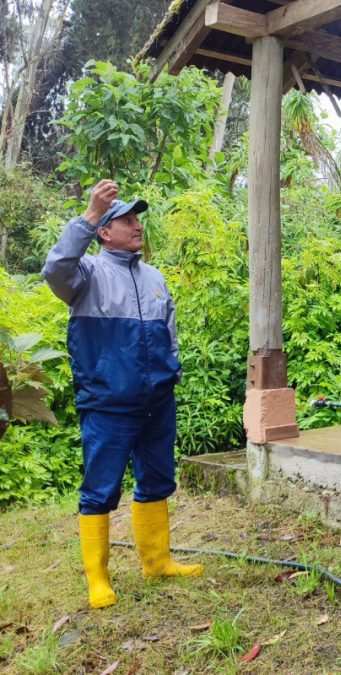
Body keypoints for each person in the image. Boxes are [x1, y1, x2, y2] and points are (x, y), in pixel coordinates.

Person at [41, 180, 202, 609]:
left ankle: (157, 562)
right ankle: (98, 579)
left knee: (157, 480)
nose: (137, 226)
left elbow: (169, 333)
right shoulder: (85, 275)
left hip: (157, 402)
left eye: (137, 220)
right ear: (104, 232)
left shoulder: (154, 277)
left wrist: (172, 372)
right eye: (126, 220)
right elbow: (54, 269)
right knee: (100, 488)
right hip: (108, 403)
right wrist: (90, 213)